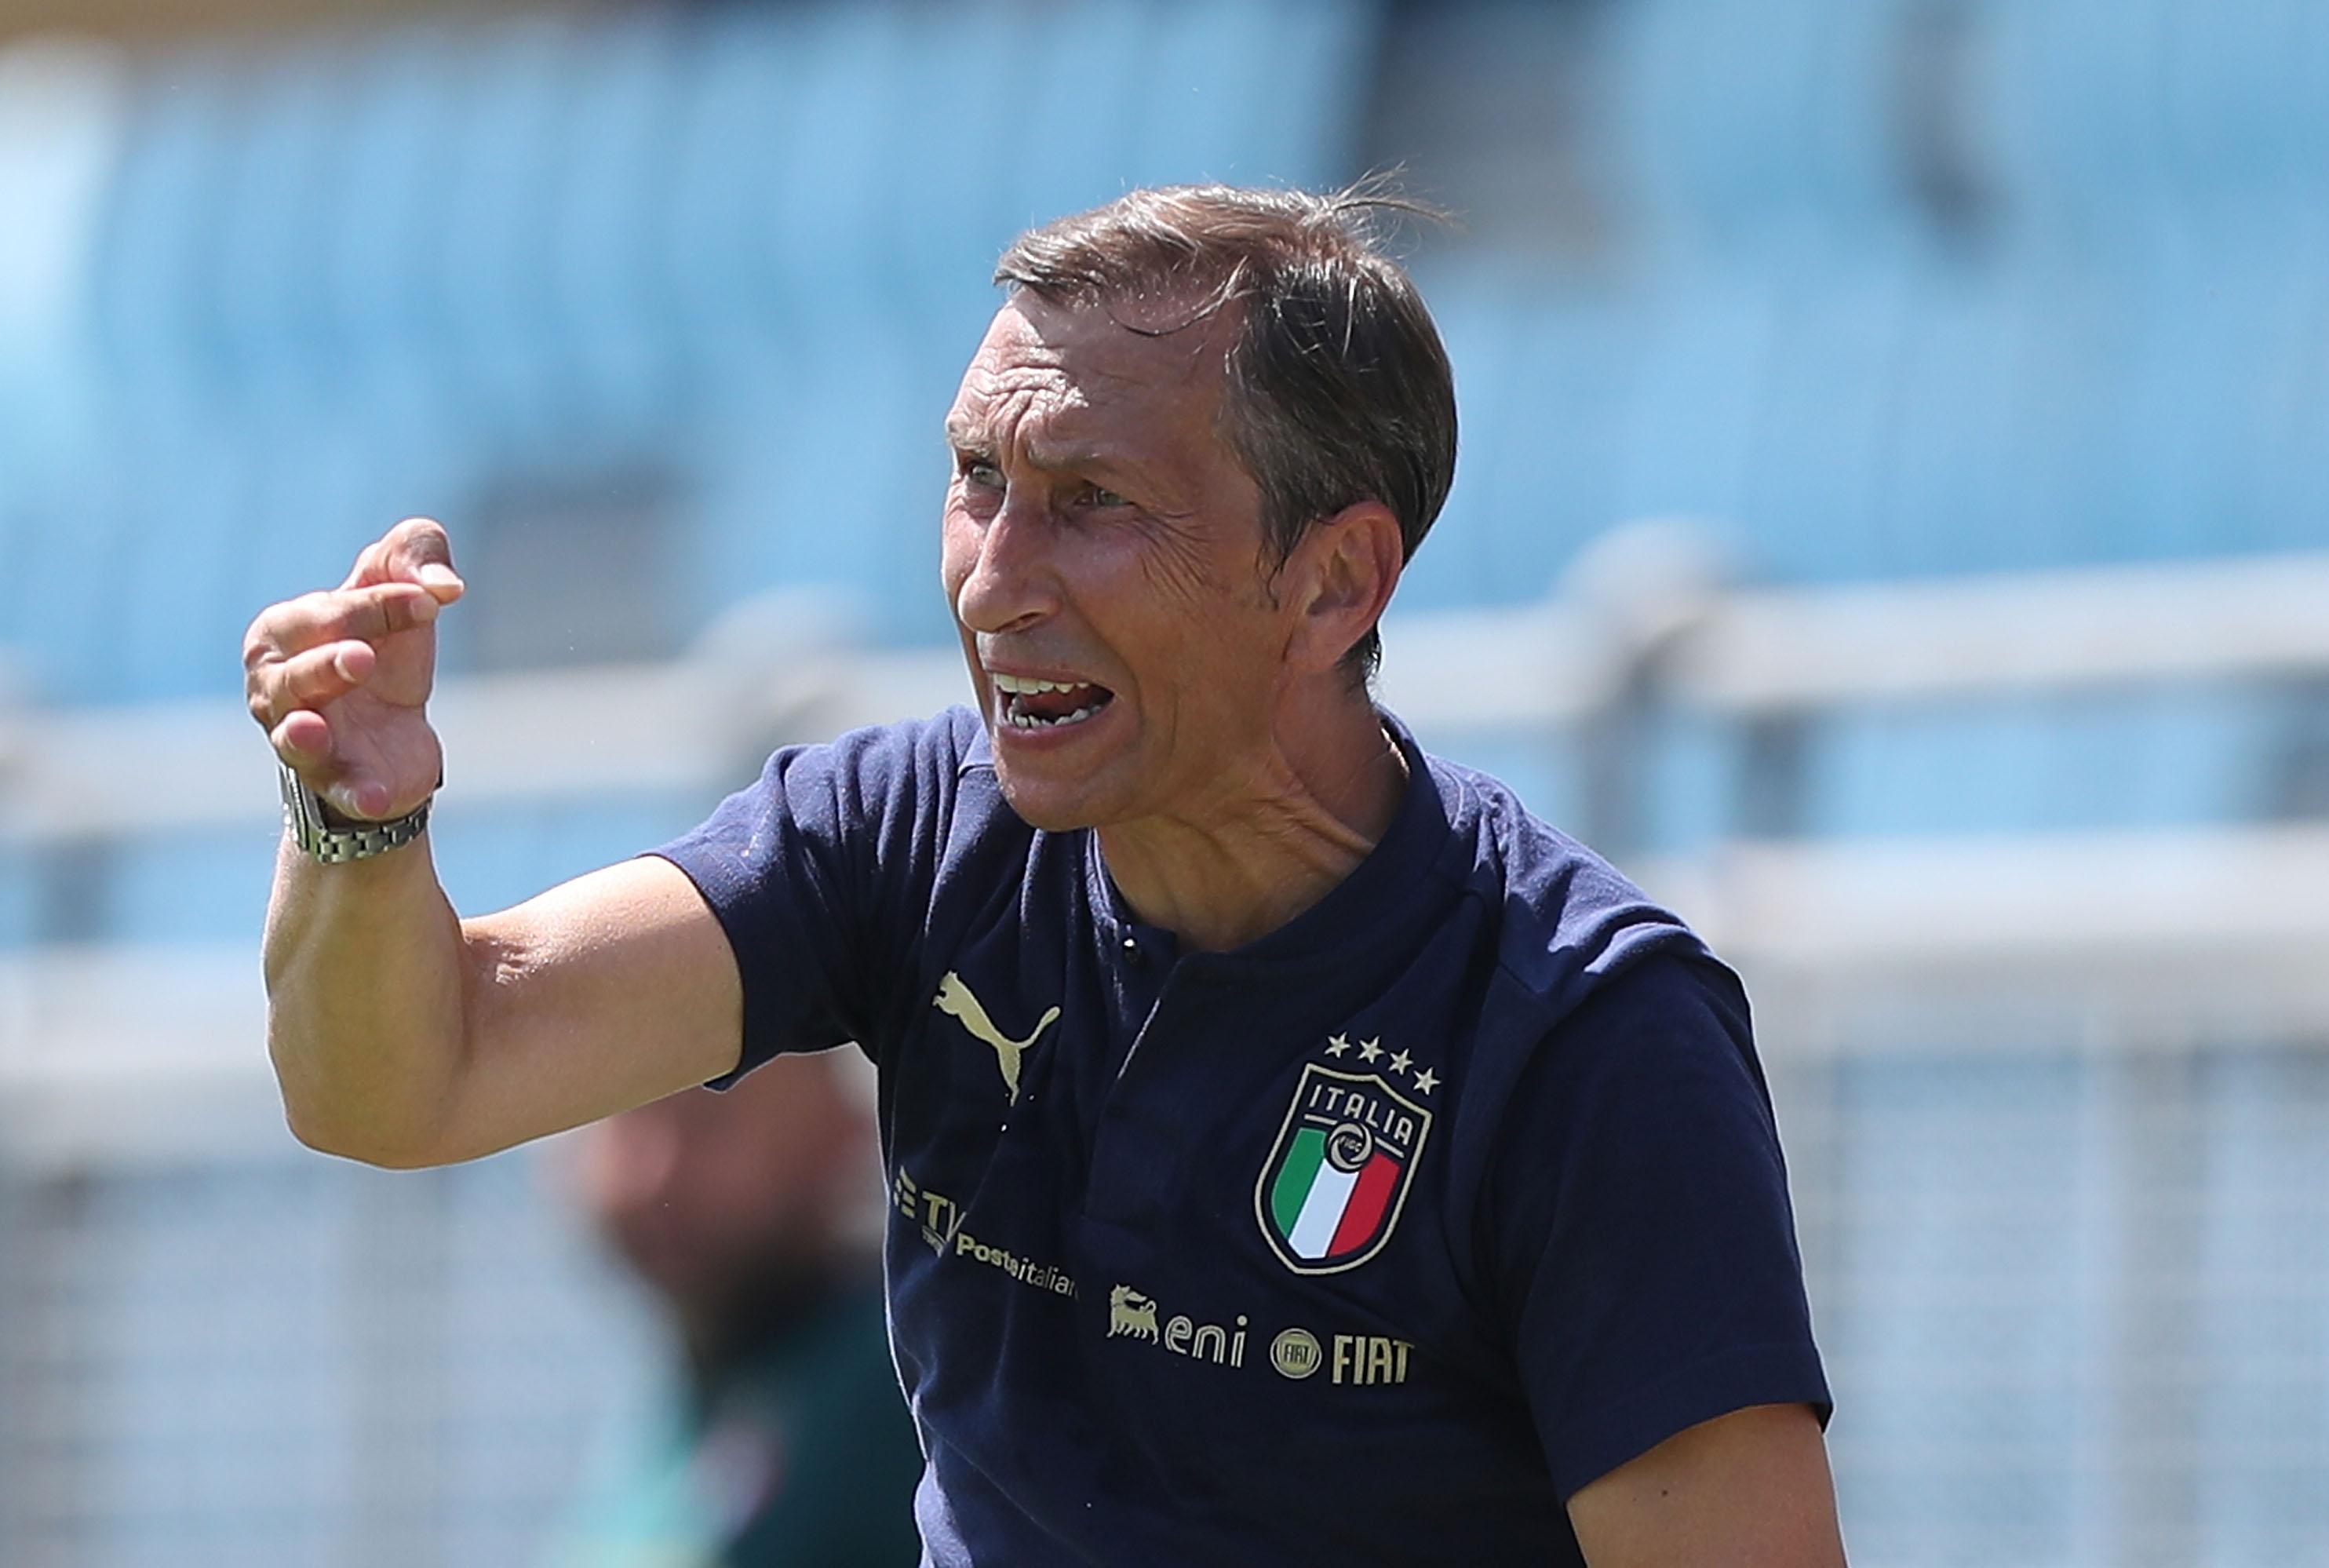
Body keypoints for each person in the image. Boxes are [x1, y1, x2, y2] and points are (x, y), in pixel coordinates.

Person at [245, 183, 1844, 1565]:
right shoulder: (903, 836)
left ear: (1334, 580)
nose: (996, 583)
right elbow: (408, 1078)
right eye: (976, 483)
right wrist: (359, 830)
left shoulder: (1586, 1035)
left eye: (1092, 505)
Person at [552, 1052, 922, 1567]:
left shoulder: (905, 1381)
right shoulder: (668, 1405)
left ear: (850, 1125)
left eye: (709, 1121)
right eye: (628, 1119)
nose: (657, 1175)